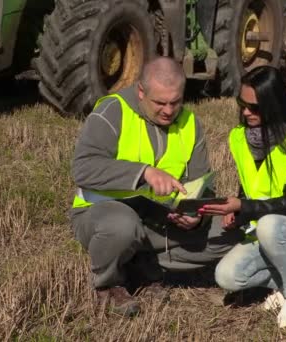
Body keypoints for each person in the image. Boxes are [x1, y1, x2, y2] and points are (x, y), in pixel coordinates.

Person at [69, 57, 243, 316]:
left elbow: (203, 184)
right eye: (160, 103)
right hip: (102, 212)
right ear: (141, 91)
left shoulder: (190, 123)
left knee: (233, 230)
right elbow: (82, 168)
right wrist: (143, 173)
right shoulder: (112, 111)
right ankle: (109, 284)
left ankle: (141, 265)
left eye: (175, 102)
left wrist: (196, 213)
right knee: (123, 226)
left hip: (160, 218)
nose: (169, 110)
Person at [200, 65, 286, 328]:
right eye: (242, 104)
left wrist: (244, 205)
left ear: (272, 104)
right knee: (227, 277)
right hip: (270, 233)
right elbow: (252, 186)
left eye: (253, 107)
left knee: (269, 224)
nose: (245, 112)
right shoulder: (238, 138)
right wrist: (239, 213)